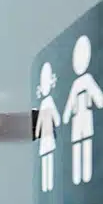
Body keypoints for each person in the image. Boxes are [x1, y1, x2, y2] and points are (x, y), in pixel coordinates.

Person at [63, 35, 103, 184]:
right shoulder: (76, 84)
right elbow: (70, 103)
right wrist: (66, 115)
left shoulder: (87, 80)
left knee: (86, 143)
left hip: (86, 117)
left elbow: (99, 99)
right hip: (78, 120)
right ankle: (78, 176)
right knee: (77, 146)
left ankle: (86, 175)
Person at [36, 62, 61, 192]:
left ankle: (49, 185)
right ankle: (47, 185)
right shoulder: (44, 104)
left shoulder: (49, 102)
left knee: (49, 159)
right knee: (46, 158)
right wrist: (36, 133)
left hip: (49, 136)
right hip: (45, 137)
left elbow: (55, 117)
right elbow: (40, 120)